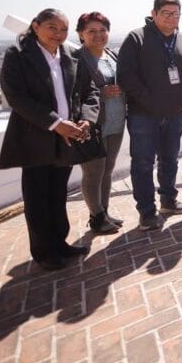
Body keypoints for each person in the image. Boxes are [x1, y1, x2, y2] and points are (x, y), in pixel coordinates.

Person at [0, 9, 99, 270]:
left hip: (67, 139)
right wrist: (55, 123)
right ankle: (44, 252)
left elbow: (89, 92)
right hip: (36, 138)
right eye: (52, 28)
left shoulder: (71, 55)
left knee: (57, 193)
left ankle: (60, 243)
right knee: (37, 196)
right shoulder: (18, 56)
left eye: (63, 30)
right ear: (35, 26)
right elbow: (16, 97)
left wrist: (86, 119)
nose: (58, 34)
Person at [118, 0, 182, 230]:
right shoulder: (137, 38)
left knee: (170, 159)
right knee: (143, 163)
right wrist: (150, 102)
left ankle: (168, 201)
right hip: (144, 115)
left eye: (176, 14)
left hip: (174, 114)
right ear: (154, 14)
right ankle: (146, 212)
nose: (172, 18)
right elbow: (126, 76)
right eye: (166, 13)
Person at [73, 12, 126, 234]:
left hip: (115, 122)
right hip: (92, 124)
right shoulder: (77, 60)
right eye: (91, 31)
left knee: (108, 170)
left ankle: (104, 212)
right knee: (93, 172)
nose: (98, 35)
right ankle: (96, 217)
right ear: (80, 34)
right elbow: (73, 93)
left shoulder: (111, 56)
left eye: (102, 30)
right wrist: (100, 93)